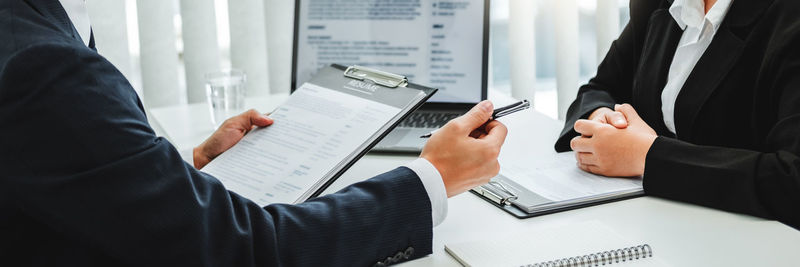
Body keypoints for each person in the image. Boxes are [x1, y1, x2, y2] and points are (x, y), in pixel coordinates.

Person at [0, 0, 508, 266]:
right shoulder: (42, 63)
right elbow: (246, 251)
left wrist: (185, 169)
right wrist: (431, 176)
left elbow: (57, 175)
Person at [555, 0, 800, 229]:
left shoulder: (789, 19)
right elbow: (601, 87)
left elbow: (792, 179)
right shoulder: (660, 4)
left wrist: (646, 156)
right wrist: (605, 120)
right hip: (653, 226)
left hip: (745, 241)